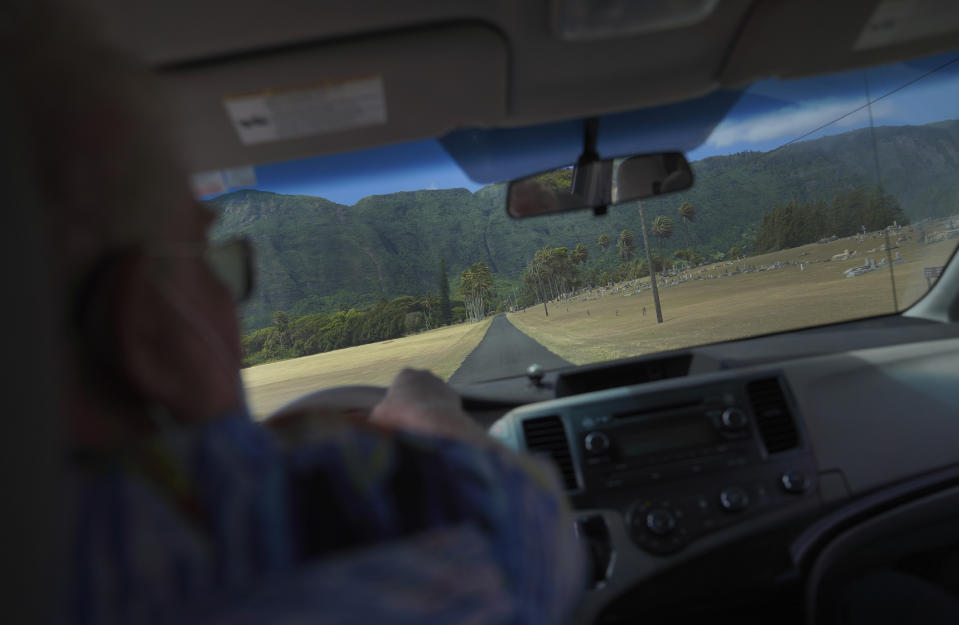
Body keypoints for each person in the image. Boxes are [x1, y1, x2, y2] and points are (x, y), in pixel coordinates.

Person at [6, 4, 582, 624]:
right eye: (211, 259)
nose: (230, 292)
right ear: (148, 329)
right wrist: (424, 413)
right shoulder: (358, 517)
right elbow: (540, 537)